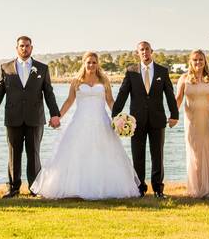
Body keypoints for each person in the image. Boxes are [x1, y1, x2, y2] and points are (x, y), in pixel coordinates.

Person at [30, 52, 140, 199]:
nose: (91, 65)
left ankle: (104, 187)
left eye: (94, 62)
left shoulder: (104, 80)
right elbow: (69, 101)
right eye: (88, 62)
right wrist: (58, 117)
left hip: (101, 121)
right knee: (77, 153)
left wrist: (119, 118)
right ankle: (75, 188)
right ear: (84, 63)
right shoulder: (76, 81)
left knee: (103, 153)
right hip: (80, 121)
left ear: (97, 63)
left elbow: (110, 101)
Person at [0, 35, 61, 198]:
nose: (24, 48)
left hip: (35, 117)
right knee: (13, 153)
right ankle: (13, 188)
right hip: (13, 117)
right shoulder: (5, 67)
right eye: (21, 46)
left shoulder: (42, 68)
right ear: (17, 48)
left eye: (27, 46)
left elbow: (49, 93)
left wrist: (55, 114)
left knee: (34, 153)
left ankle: (35, 187)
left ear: (31, 48)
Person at [111, 41, 179, 198]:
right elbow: (122, 94)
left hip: (157, 120)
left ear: (151, 51)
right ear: (137, 53)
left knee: (158, 156)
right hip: (136, 122)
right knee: (138, 155)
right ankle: (140, 188)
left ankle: (158, 189)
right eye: (141, 50)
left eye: (147, 49)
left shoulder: (162, 71)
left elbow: (169, 94)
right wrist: (115, 115)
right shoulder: (131, 71)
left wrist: (174, 115)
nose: (144, 52)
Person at [175, 49, 209, 198]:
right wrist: (172, 116)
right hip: (192, 122)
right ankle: (197, 189)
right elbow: (178, 99)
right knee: (195, 153)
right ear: (190, 62)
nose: (198, 62)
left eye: (201, 59)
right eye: (195, 60)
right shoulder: (184, 78)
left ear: (205, 61)